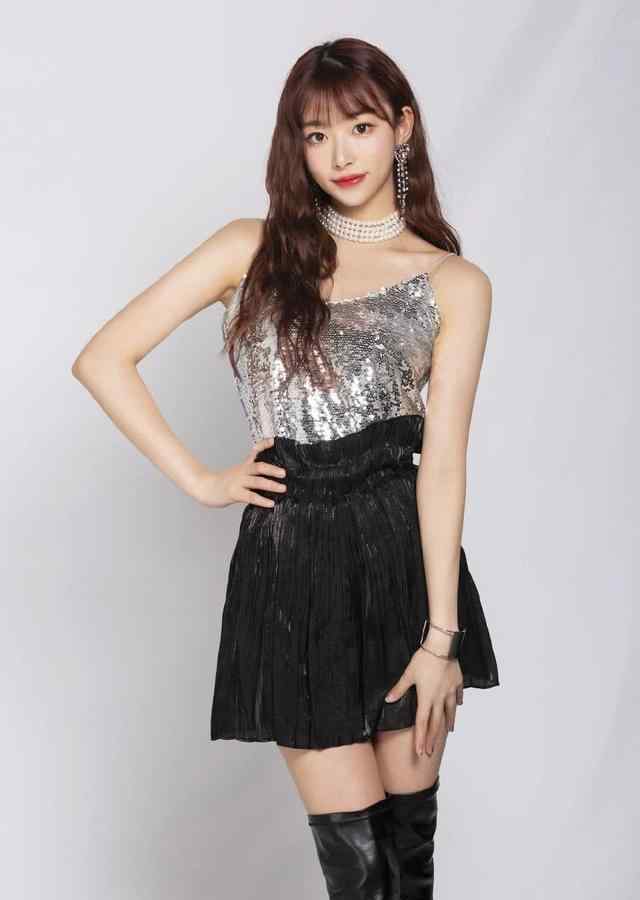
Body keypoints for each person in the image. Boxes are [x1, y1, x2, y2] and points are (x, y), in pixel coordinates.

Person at [72, 36, 500, 900]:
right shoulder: (250, 249)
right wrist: (203, 480)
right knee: (359, 874)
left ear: (403, 128)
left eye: (361, 126)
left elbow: (443, 466)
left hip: (403, 571)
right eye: (315, 134)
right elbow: (103, 358)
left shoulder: (453, 282)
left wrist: (441, 640)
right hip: (295, 569)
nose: (340, 154)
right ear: (294, 146)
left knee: (408, 864)